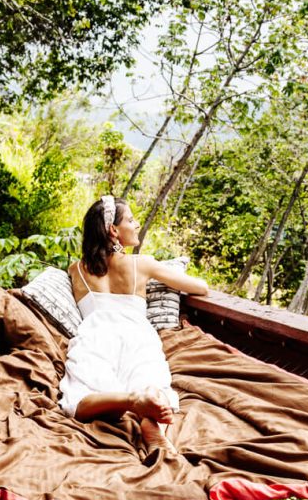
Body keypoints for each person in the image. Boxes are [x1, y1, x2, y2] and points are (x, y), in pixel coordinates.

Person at [58, 195, 209, 456]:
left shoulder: (77, 269)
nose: (136, 224)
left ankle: (132, 401)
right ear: (113, 230)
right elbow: (201, 287)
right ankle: (150, 419)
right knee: (150, 382)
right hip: (137, 335)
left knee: (79, 401)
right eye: (131, 219)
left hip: (95, 335)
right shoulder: (143, 265)